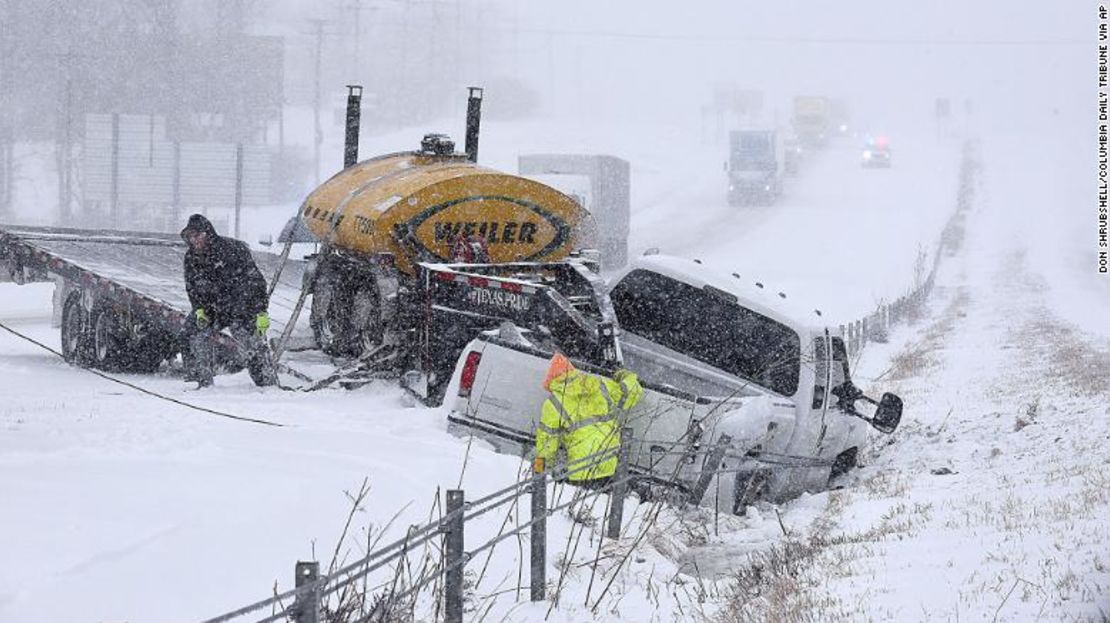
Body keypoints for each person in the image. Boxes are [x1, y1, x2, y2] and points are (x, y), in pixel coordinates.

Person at [180, 214, 277, 388]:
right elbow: (192, 287)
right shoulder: (191, 258)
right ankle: (202, 382)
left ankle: (267, 383)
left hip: (242, 307)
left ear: (208, 233)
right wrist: (199, 309)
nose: (194, 241)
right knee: (191, 333)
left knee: (253, 345)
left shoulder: (233, 250)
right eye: (190, 237)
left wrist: (261, 312)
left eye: (198, 235)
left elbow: (256, 283)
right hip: (213, 309)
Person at [534, 353, 644, 489]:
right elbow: (633, 391)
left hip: (580, 470)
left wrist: (539, 470)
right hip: (609, 463)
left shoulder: (553, 402)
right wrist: (624, 375)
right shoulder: (600, 385)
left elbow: (546, 444)